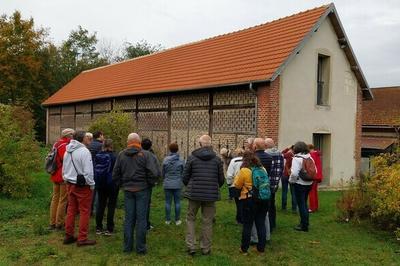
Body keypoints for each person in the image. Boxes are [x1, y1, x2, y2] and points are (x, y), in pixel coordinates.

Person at [112, 133, 159, 255]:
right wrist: (149, 184)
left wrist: (122, 185)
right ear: (139, 142)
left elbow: (115, 174)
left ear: (128, 142)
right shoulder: (146, 155)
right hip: (142, 190)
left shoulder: (121, 155)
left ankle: (127, 247)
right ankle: (141, 248)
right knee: (141, 219)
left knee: (129, 219)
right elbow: (154, 173)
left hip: (128, 190)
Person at [183, 135, 224, 256]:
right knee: (207, 221)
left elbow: (185, 176)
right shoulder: (217, 160)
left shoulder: (192, 158)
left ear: (199, 144)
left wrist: (189, 186)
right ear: (210, 144)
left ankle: (191, 246)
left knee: (190, 219)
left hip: (194, 193)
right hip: (210, 195)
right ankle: (205, 248)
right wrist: (214, 186)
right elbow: (221, 179)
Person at [62, 131, 96, 246]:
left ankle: (68, 235)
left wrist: (65, 178)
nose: (88, 139)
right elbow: (88, 171)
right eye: (87, 137)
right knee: (84, 211)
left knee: (71, 210)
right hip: (82, 186)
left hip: (70, 183)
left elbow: (64, 168)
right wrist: (91, 185)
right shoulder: (84, 151)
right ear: (82, 139)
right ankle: (82, 238)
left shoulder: (68, 150)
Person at [234, 151, 269, 254]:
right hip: (263, 199)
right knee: (261, 224)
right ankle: (261, 249)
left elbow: (237, 185)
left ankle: (244, 249)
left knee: (247, 225)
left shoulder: (244, 170)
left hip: (249, 199)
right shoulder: (262, 169)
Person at [49, 128, 75, 231]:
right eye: (72, 135)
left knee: (55, 198)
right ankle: (59, 223)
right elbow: (66, 160)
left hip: (54, 174)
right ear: (68, 136)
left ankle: (52, 222)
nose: (73, 137)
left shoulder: (56, 143)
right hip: (62, 174)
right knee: (63, 199)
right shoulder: (64, 146)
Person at [289, 141, 316, 232]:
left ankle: (304, 225)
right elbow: (314, 170)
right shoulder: (309, 157)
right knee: (304, 203)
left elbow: (294, 173)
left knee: (301, 205)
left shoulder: (297, 159)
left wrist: (291, 181)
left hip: (299, 184)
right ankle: (305, 222)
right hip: (309, 183)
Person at [250, 138, 272, 245]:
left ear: (255, 146)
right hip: (265, 189)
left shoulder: (252, 159)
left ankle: (255, 237)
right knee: (265, 215)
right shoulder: (269, 157)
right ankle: (267, 235)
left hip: (255, 190)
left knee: (254, 216)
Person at [95, 139, 118, 236]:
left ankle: (99, 227)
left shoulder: (98, 155)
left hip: (100, 182)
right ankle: (109, 228)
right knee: (111, 205)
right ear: (111, 145)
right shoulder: (114, 156)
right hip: (112, 183)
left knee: (100, 205)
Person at [264, 138, 284, 233]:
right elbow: (281, 168)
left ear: (266, 145)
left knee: (266, 204)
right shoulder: (280, 154)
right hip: (275, 182)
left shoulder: (266, 155)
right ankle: (273, 223)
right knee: (272, 203)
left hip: (267, 182)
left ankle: (268, 226)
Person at [141, 138, 161, 231]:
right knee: (146, 204)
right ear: (150, 146)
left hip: (136, 182)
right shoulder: (152, 156)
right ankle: (145, 224)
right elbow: (157, 170)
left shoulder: (136, 154)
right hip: (147, 184)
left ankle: (136, 223)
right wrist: (154, 180)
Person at [162, 142, 184, 225]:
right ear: (177, 149)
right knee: (177, 202)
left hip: (167, 183)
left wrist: (165, 179)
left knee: (167, 202)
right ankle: (177, 220)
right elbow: (183, 171)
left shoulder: (165, 159)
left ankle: (168, 220)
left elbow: (163, 172)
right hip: (177, 183)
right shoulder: (181, 160)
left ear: (169, 149)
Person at [226, 148, 244, 224]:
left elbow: (230, 174)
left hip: (235, 184)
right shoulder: (246, 160)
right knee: (244, 202)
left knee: (238, 203)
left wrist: (229, 183)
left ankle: (239, 219)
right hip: (245, 184)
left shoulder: (233, 161)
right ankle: (242, 218)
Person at [88, 131, 104, 216]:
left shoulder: (89, 144)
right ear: (100, 136)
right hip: (98, 170)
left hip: (89, 169)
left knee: (91, 191)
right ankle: (97, 210)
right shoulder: (101, 146)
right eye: (102, 135)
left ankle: (89, 210)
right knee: (99, 192)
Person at [308, 144, 323, 212]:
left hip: (313, 176)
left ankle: (312, 208)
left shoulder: (312, 155)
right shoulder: (317, 154)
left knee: (311, 192)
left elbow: (311, 167)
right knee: (314, 192)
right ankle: (315, 206)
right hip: (317, 175)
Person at [281, 145, 297, 212]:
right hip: (292, 175)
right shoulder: (296, 156)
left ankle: (284, 207)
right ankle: (294, 208)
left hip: (285, 174)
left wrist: (288, 148)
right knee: (293, 192)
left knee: (284, 191)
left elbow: (281, 154)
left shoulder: (288, 154)